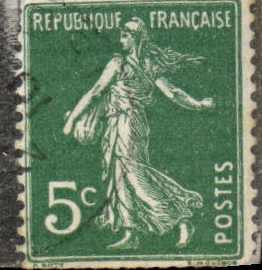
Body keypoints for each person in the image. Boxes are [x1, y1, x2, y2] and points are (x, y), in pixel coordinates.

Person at [62, 18, 213, 249]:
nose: (121, 40)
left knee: (134, 175)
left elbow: (95, 92)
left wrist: (73, 118)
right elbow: (173, 93)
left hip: (127, 124)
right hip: (122, 124)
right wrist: (198, 104)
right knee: (119, 176)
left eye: (125, 36)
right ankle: (130, 233)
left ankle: (180, 219)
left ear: (136, 38)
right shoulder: (148, 65)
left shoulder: (120, 63)